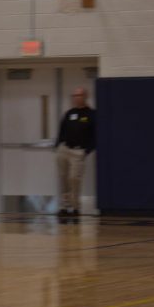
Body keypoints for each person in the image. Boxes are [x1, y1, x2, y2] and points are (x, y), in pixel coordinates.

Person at [55, 87, 95, 217]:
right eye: (74, 95)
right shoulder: (69, 113)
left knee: (74, 179)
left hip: (78, 152)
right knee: (63, 178)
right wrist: (58, 146)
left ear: (85, 97)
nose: (76, 98)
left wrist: (87, 151)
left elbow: (96, 136)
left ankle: (75, 207)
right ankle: (64, 206)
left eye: (79, 95)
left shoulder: (91, 114)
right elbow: (62, 130)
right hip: (64, 149)